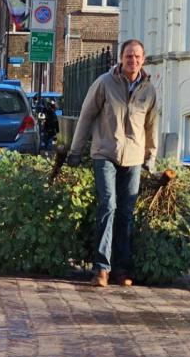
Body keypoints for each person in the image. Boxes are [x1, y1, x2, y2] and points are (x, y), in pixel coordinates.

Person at [67, 40, 158, 287]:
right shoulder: (104, 83)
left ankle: (121, 268)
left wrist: (150, 156)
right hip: (105, 153)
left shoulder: (148, 89)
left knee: (126, 213)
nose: (133, 60)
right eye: (129, 56)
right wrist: (75, 151)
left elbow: (151, 125)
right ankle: (101, 268)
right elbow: (86, 116)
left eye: (137, 56)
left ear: (144, 59)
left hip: (134, 157)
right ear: (121, 58)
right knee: (108, 204)